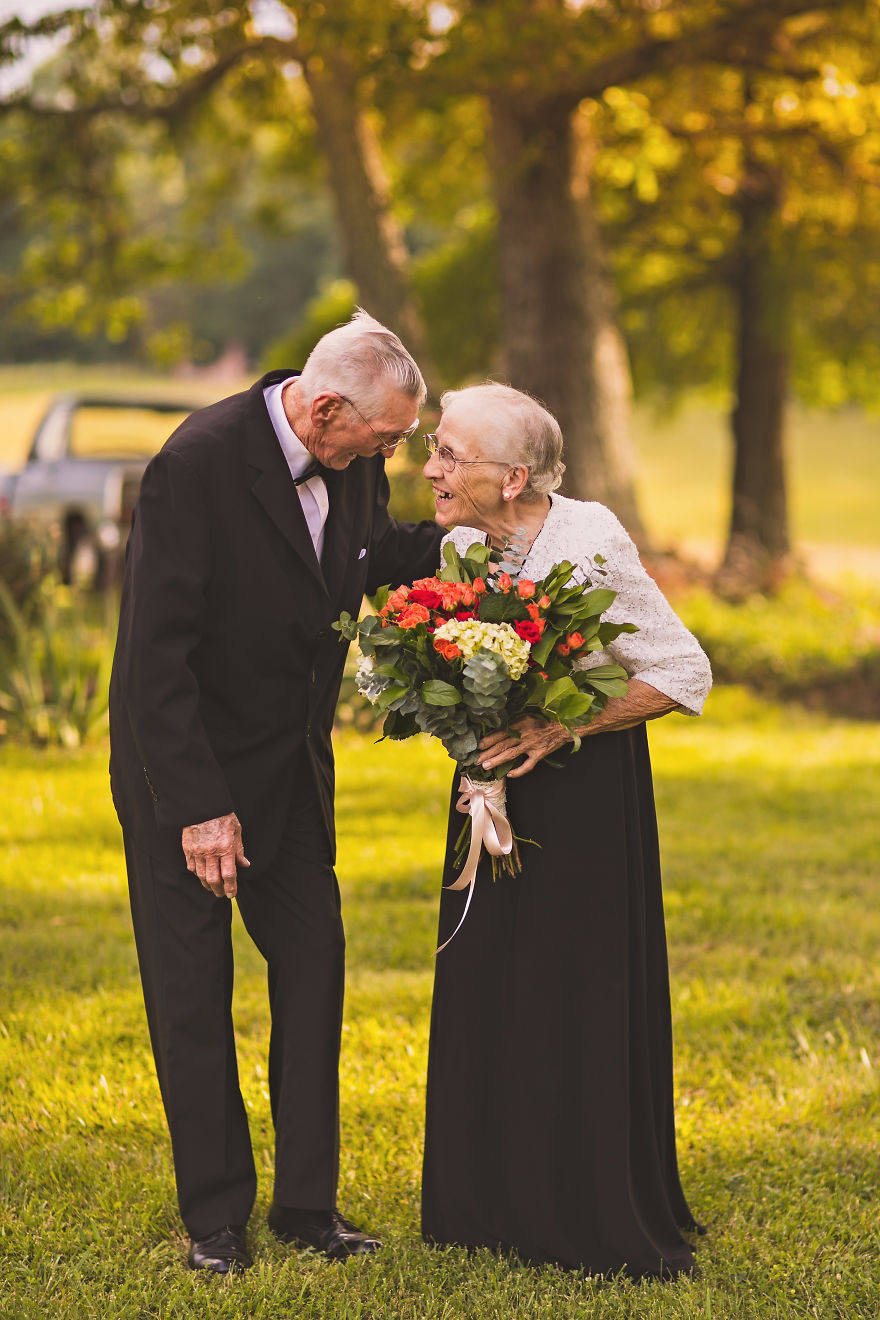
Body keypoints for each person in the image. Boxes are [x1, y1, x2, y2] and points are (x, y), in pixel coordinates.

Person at [109, 311, 443, 1275]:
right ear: (328, 407)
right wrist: (198, 806)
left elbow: (367, 557)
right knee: (192, 997)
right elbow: (152, 662)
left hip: (289, 775)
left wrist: (483, 542)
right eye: (386, 438)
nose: (393, 452)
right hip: (188, 777)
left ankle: (306, 1206)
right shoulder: (198, 462)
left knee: (314, 969)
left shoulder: (355, 456)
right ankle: (215, 1218)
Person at [420, 383, 712, 1279]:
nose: (430, 467)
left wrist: (563, 727)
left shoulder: (591, 541)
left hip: (586, 795)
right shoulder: (461, 543)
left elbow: (679, 668)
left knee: (570, 987)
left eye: (448, 455)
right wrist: (463, 730)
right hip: (492, 789)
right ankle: (484, 1203)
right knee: (489, 982)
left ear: (513, 478)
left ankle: (583, 1203)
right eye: (432, 448)